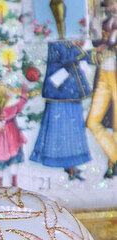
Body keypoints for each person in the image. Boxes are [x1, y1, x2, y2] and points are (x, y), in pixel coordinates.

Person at [30, 40, 92, 181]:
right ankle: (64, 165)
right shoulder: (56, 42)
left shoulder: (69, 42)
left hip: (71, 92)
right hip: (60, 92)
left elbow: (76, 57)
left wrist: (92, 54)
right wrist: (84, 50)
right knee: (59, 128)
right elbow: (67, 58)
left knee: (73, 130)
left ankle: (72, 166)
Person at [89, 0, 117, 178]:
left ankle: (112, 164)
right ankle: (115, 158)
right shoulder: (105, 23)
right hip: (103, 75)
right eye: (109, 5)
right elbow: (95, 42)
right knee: (92, 121)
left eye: (114, 4)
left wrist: (111, 48)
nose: (112, 8)